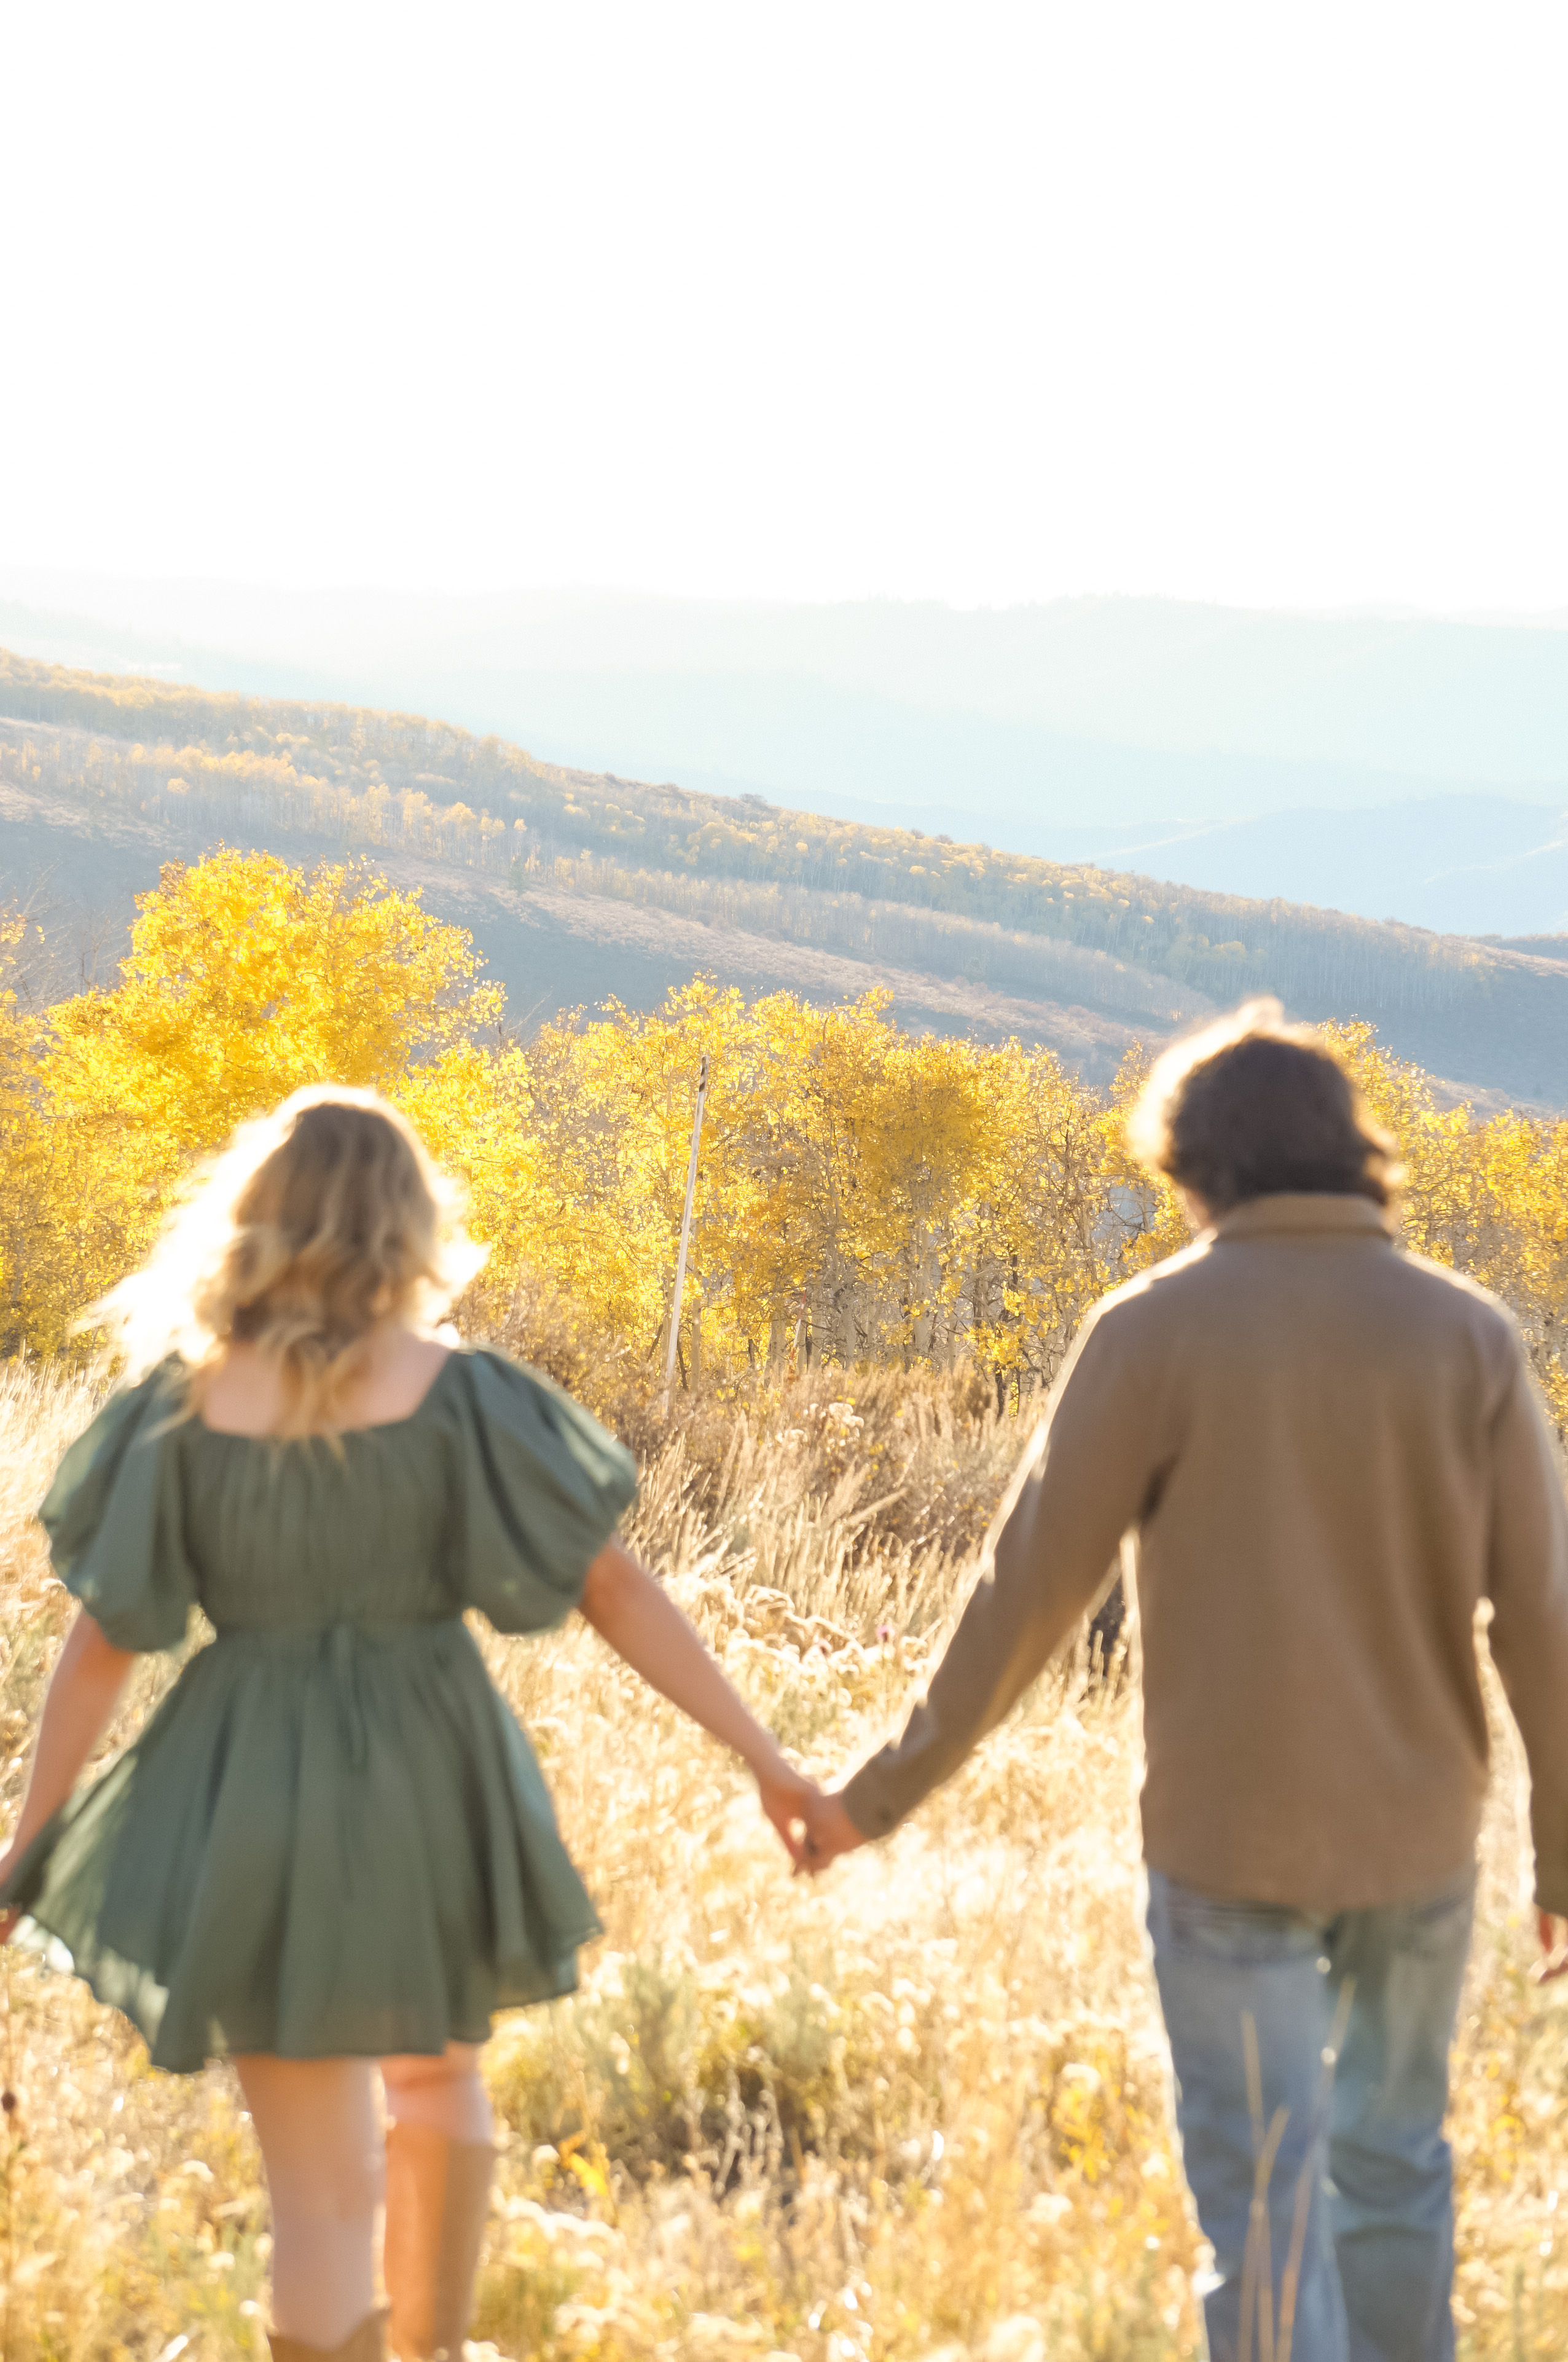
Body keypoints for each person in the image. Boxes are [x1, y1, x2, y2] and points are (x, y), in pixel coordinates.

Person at [800, 1000, 1568, 2362]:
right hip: (1417, 1837)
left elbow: (1028, 1595)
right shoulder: (1469, 1336)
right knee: (1396, 2166)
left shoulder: (1153, 1328)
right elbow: (1545, 1621)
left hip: (1226, 1844)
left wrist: (880, 1795)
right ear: (1352, 1152)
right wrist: (1561, 1852)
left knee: (1262, 2201)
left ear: (1193, 1165)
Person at [0, 1086, 817, 2362]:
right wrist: (766, 1757)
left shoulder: (178, 1408)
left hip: (242, 1781)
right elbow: (612, 1589)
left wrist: (26, 1844)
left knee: (318, 2201)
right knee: (441, 2087)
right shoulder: (465, 1395)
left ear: (252, 1224)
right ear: (404, 1226)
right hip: (425, 1774)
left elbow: (105, 1639)